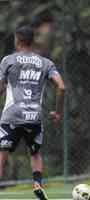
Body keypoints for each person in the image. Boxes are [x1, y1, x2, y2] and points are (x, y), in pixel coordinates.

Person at [0, 26, 65, 200]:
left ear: (18, 40)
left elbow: (0, 87)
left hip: (11, 116)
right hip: (33, 116)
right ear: (32, 41)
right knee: (35, 153)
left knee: (2, 152)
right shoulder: (46, 63)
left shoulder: (8, 60)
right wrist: (57, 112)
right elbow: (61, 86)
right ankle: (37, 184)